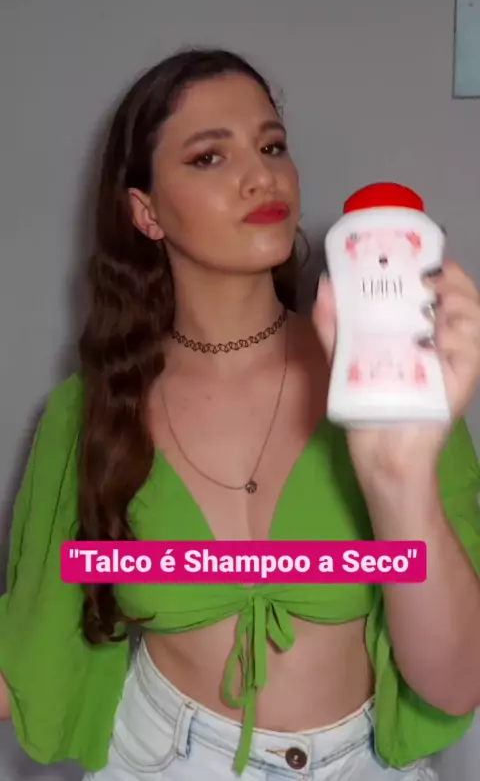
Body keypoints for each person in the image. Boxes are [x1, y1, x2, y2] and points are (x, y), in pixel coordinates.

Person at [1, 48, 480, 781]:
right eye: (209, 157)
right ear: (146, 212)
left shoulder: (393, 380)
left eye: (272, 145)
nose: (262, 175)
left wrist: (401, 476)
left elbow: (455, 682)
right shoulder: (88, 412)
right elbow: (30, 650)